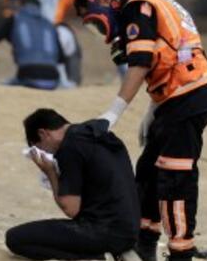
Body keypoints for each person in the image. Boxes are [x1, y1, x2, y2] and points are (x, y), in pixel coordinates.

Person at [75, 0, 207, 261]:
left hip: (188, 95)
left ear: (105, 1)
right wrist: (153, 108)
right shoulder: (149, 2)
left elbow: (142, 62)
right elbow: (167, 52)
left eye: (94, 21)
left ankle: (181, 250)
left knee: (174, 175)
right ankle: (144, 241)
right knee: (149, 171)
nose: (99, 31)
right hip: (179, 95)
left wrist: (111, 115)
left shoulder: (136, 7)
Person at [8, 109, 140, 261]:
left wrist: (50, 173)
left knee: (15, 239)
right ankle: (115, 252)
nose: (43, 153)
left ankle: (99, 257)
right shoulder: (94, 132)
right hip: (130, 231)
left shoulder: (69, 147)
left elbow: (70, 208)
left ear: (43, 134)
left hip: (105, 231)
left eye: (38, 148)